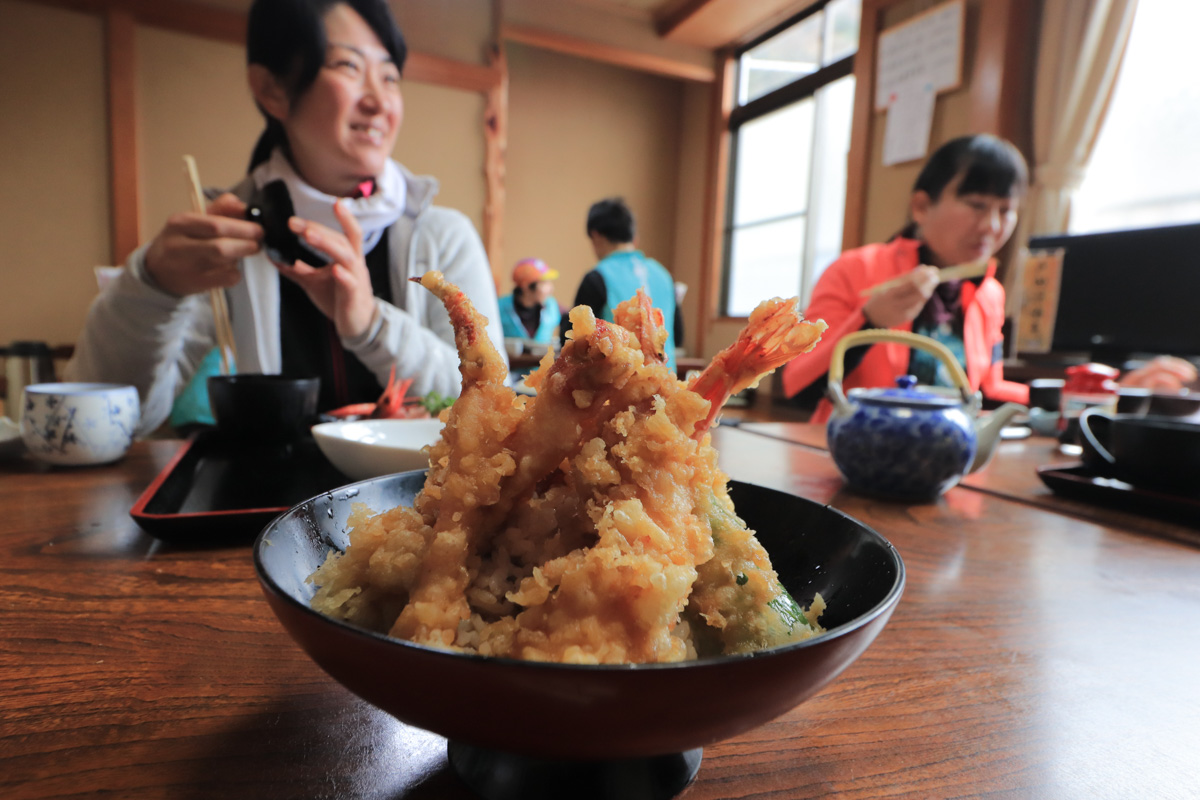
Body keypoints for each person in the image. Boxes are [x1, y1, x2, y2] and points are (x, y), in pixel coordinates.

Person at [65, 0, 505, 435]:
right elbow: (119, 421)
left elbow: (490, 401)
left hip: (416, 497)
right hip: (266, 499)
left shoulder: (442, 237)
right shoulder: (226, 238)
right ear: (273, 88)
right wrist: (151, 287)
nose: (378, 100)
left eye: (389, 76)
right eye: (349, 67)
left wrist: (371, 324)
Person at [781, 134, 1032, 422]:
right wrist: (869, 321)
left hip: (948, 451)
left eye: (1006, 210)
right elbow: (797, 388)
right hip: (857, 448)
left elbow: (989, 387)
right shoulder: (853, 270)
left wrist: (1061, 399)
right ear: (922, 207)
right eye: (976, 205)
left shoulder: (990, 293)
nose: (992, 225)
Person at [565, 197, 682, 371]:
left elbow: (574, 343)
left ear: (596, 235)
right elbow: (678, 337)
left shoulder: (597, 277)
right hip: (666, 383)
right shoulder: (664, 274)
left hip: (616, 387)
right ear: (633, 236)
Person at [498, 258, 560, 344]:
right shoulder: (499, 308)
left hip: (543, 357)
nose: (551, 289)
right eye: (544, 283)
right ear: (526, 286)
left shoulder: (551, 306)